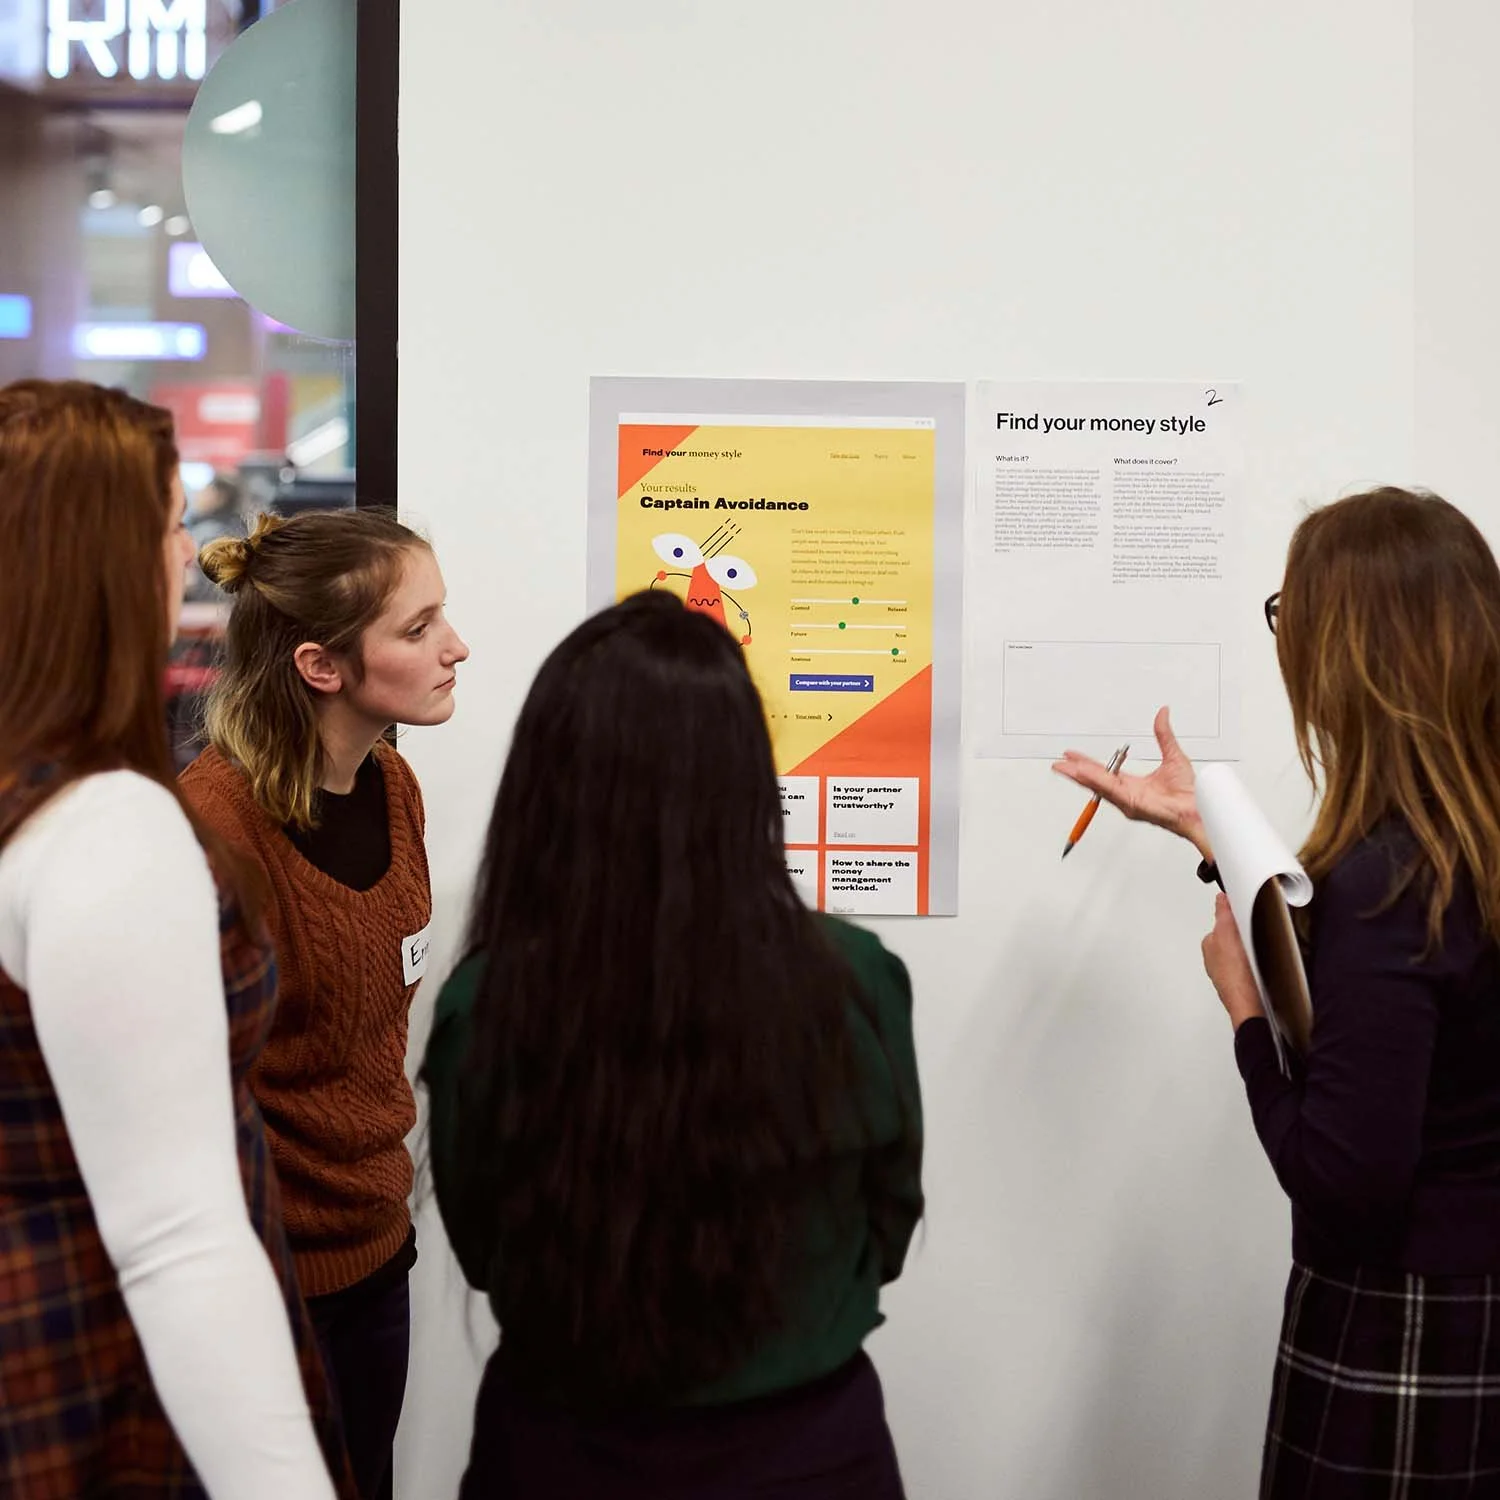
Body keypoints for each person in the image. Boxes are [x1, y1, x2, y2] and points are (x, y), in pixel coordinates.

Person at [421, 589, 925, 1500]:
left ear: (549, 780)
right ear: (742, 773)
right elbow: (887, 1225)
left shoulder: (485, 1002)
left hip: (557, 1459)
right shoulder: (855, 979)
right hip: (808, 1457)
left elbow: (486, 1251)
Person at [1054, 487, 1500, 1497]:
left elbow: (1343, 1183)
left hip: (1403, 1336)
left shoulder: (1394, 886)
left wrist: (1248, 1020)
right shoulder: (1454, 857)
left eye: (1289, 613)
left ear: (1347, 653)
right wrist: (1210, 832)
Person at [0, 379, 352, 1498]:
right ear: (96, 564)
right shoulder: (105, 827)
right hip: (102, 1371)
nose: (187, 555)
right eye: (166, 526)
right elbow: (177, 1239)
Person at [181, 508, 468, 1500]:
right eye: (419, 627)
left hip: (376, 1253)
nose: (456, 647)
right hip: (264, 1289)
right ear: (321, 666)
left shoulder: (393, 784)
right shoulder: (216, 831)